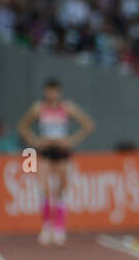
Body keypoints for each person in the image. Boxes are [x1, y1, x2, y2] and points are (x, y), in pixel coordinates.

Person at [17, 80, 95, 245]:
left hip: (62, 151)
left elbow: (88, 125)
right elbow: (23, 126)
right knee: (44, 188)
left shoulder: (67, 108)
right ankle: (46, 227)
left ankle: (59, 228)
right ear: (45, 92)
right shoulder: (39, 107)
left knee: (61, 188)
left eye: (55, 91)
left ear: (59, 92)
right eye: (49, 91)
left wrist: (71, 140)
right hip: (45, 151)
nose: (52, 95)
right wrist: (35, 140)